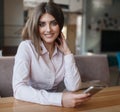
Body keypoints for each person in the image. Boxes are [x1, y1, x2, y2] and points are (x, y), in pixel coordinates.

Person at [12, 2, 90, 108]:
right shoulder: (26, 47)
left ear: (60, 25)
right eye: (42, 24)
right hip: (31, 105)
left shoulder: (63, 51)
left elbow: (73, 87)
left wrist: (67, 53)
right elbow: (19, 90)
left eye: (53, 23)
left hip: (55, 107)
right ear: (36, 26)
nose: (48, 29)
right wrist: (59, 99)